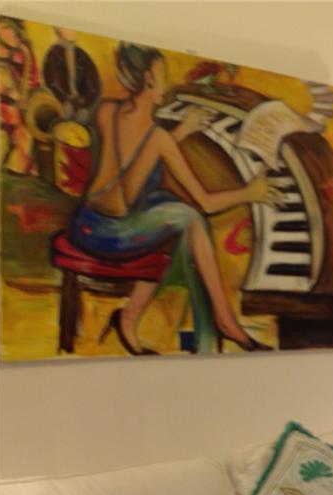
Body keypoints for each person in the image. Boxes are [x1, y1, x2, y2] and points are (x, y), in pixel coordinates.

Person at [70, 42, 281, 354]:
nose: (167, 85)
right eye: (163, 77)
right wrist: (250, 193)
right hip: (112, 237)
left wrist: (180, 133)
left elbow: (131, 165)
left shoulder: (106, 111)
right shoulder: (159, 139)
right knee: (191, 218)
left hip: (85, 225)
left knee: (167, 206)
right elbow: (205, 202)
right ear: (148, 79)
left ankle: (132, 319)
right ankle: (222, 323)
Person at [0, 17, 39, 175]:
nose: (16, 38)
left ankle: (18, 164)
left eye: (17, 33)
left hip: (15, 104)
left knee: (22, 130)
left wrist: (24, 94)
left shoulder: (24, 51)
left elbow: (33, 80)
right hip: (3, 103)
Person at [42, 27, 101, 124]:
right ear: (58, 32)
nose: (70, 30)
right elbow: (51, 81)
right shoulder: (53, 53)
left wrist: (85, 101)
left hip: (82, 102)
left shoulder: (81, 54)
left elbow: (94, 84)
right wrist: (65, 99)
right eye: (65, 28)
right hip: (62, 101)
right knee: (65, 117)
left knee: (82, 120)